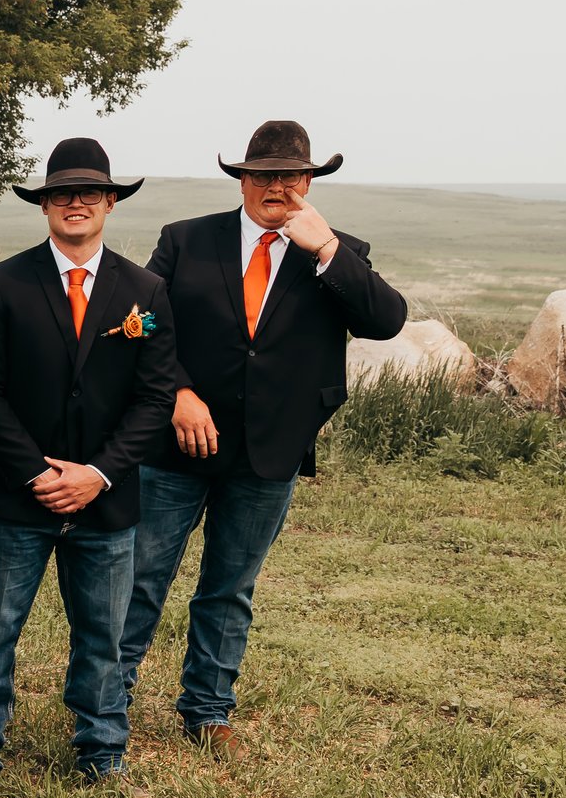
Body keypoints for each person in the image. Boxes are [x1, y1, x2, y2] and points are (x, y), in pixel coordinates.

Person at [117, 121, 408, 757]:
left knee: (230, 584)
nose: (274, 186)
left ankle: (207, 709)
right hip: (177, 445)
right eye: (260, 175)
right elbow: (140, 323)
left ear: (309, 183)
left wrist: (326, 248)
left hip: (270, 449)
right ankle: (109, 701)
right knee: (142, 574)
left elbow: (386, 321)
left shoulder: (338, 249)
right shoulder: (187, 240)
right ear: (242, 181)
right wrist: (179, 393)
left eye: (288, 176)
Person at [0, 138, 180, 798]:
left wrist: (97, 474)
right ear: (44, 205)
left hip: (106, 500)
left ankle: (103, 750)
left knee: (104, 635)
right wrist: (38, 474)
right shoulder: (1, 284)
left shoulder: (145, 290)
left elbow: (157, 397)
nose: (75, 203)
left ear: (109, 202)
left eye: (89, 193)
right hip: (20, 495)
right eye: (60, 194)